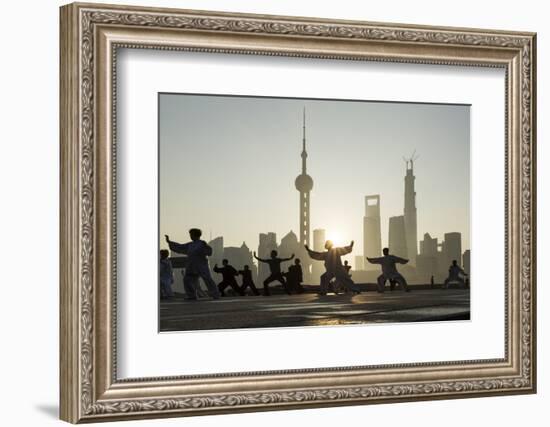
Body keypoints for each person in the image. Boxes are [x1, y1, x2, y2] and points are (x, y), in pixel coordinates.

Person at [165, 229, 220, 300]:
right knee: (187, 279)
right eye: (190, 234)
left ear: (196, 235)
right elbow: (180, 247)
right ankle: (191, 295)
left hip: (201, 265)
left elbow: (209, 251)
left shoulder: (201, 243)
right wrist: (170, 242)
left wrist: (204, 251)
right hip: (191, 265)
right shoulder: (190, 245)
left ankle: (215, 294)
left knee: (208, 279)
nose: (190, 236)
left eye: (191, 234)